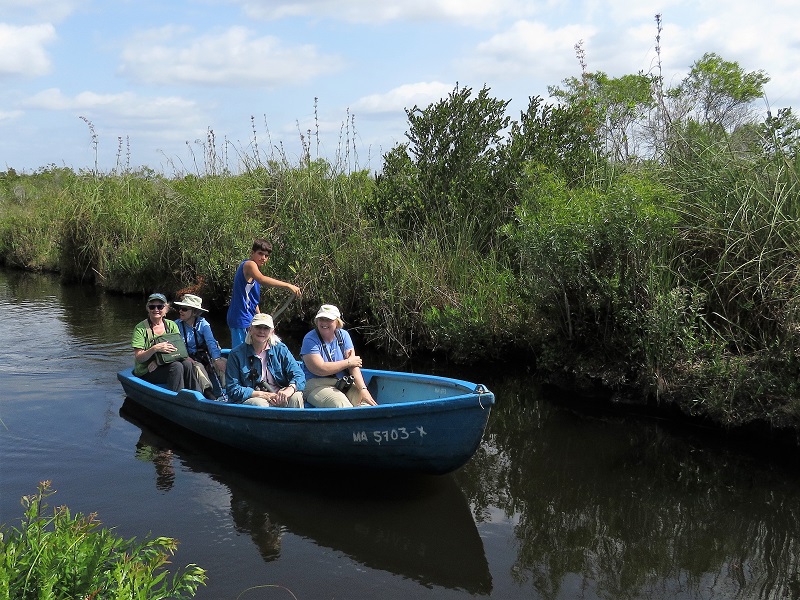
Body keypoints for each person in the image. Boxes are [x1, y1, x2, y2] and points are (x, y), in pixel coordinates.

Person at [227, 239, 302, 348]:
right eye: (260, 254)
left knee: (253, 350)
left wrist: (259, 316)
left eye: (266, 256)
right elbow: (262, 279)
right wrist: (288, 285)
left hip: (248, 317)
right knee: (240, 353)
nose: (263, 258)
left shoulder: (255, 271)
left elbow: (252, 300)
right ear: (252, 253)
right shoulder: (249, 265)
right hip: (240, 317)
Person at [300, 304, 377, 408]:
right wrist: (348, 362)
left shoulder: (344, 335)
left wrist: (363, 389)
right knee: (341, 405)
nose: (324, 323)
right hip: (317, 384)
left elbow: (354, 367)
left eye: (328, 320)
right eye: (321, 319)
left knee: (367, 403)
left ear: (337, 322)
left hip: (343, 383)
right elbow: (320, 369)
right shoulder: (310, 339)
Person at [131, 292, 206, 395]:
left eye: (160, 306)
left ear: (166, 309)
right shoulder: (140, 328)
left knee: (187, 364)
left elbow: (178, 350)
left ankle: (198, 396)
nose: (156, 310)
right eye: (152, 307)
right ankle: (176, 399)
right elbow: (139, 357)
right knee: (176, 366)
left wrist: (158, 362)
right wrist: (155, 349)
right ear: (148, 308)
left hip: (164, 364)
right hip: (147, 370)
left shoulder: (172, 325)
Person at [226, 313, 305, 407]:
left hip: (278, 395)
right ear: (250, 329)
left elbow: (299, 375)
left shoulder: (281, 349)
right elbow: (232, 388)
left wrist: (290, 389)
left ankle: (295, 422)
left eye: (266, 328)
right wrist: (260, 394)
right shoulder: (236, 354)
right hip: (254, 398)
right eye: (258, 327)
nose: (262, 331)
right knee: (260, 404)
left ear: (272, 332)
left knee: (296, 396)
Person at [174, 293, 227, 399]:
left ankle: (228, 390)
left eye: (184, 309)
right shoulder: (176, 325)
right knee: (198, 367)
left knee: (223, 362)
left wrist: (217, 359)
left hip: (203, 355)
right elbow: (175, 346)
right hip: (188, 359)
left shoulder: (203, 324)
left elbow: (211, 342)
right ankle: (209, 393)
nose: (180, 311)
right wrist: (184, 357)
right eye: (180, 308)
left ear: (194, 312)